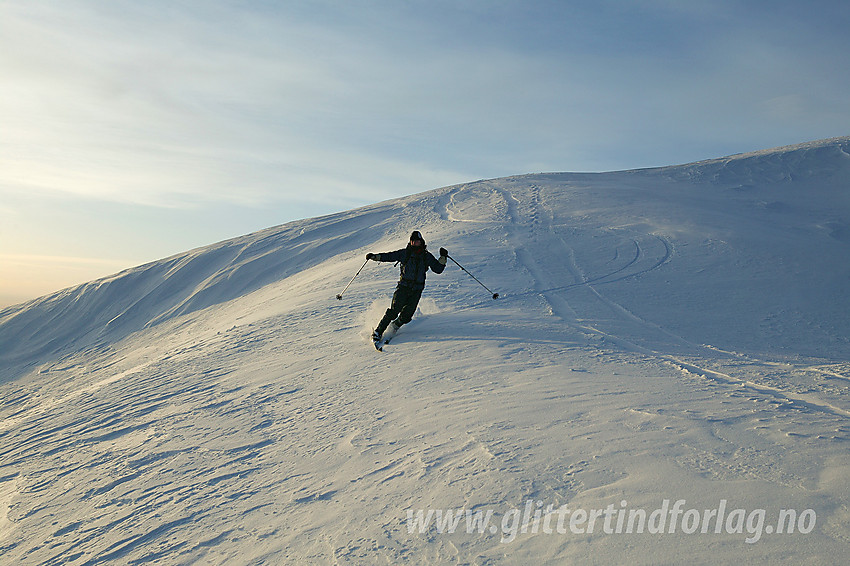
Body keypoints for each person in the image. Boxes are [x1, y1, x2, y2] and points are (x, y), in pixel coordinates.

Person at [366, 231, 448, 344]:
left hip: (417, 290)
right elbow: (390, 256)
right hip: (403, 287)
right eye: (412, 241)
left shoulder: (426, 256)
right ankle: (378, 332)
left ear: (421, 242)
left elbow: (438, 269)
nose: (414, 243)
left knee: (407, 316)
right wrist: (375, 257)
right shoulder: (405, 253)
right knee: (394, 311)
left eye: (417, 241)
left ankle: (394, 326)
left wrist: (443, 257)